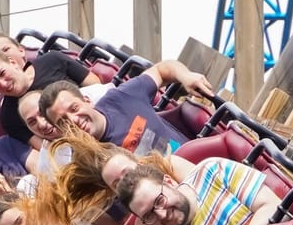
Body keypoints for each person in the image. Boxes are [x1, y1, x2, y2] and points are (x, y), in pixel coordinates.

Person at [45, 58, 217, 153]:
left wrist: (185, 75)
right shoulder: (88, 161)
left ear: (87, 100)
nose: (73, 120)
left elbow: (161, 69)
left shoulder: (120, 98)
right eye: (63, 122)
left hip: (195, 161)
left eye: (74, 108)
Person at [117, 157, 280, 225]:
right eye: (149, 215)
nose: (162, 214)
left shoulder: (213, 171)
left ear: (169, 182)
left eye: (159, 200)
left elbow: (272, 206)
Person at [0, 44, 90, 144]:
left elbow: (97, 87)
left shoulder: (52, 61)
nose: (3, 84)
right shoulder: (8, 116)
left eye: (2, 73)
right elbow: (44, 148)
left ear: (13, 63)